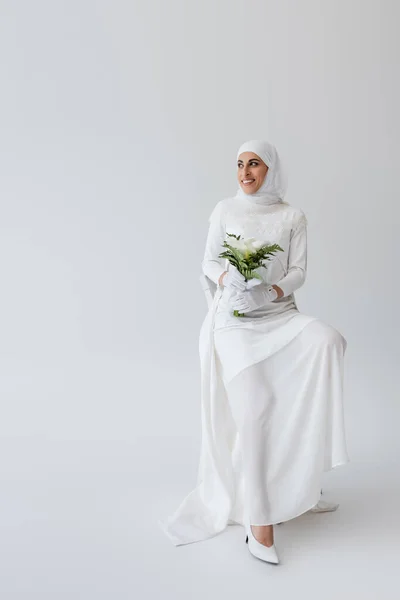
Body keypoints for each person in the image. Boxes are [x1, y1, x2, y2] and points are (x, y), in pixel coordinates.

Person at [158, 140, 349, 565]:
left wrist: (271, 290)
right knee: (256, 402)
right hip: (234, 319)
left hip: (277, 312)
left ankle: (304, 479)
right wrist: (230, 278)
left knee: (329, 341)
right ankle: (259, 519)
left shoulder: (292, 215)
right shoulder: (224, 210)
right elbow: (208, 261)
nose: (245, 172)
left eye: (254, 164)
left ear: (271, 170)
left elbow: (299, 270)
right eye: (240, 165)